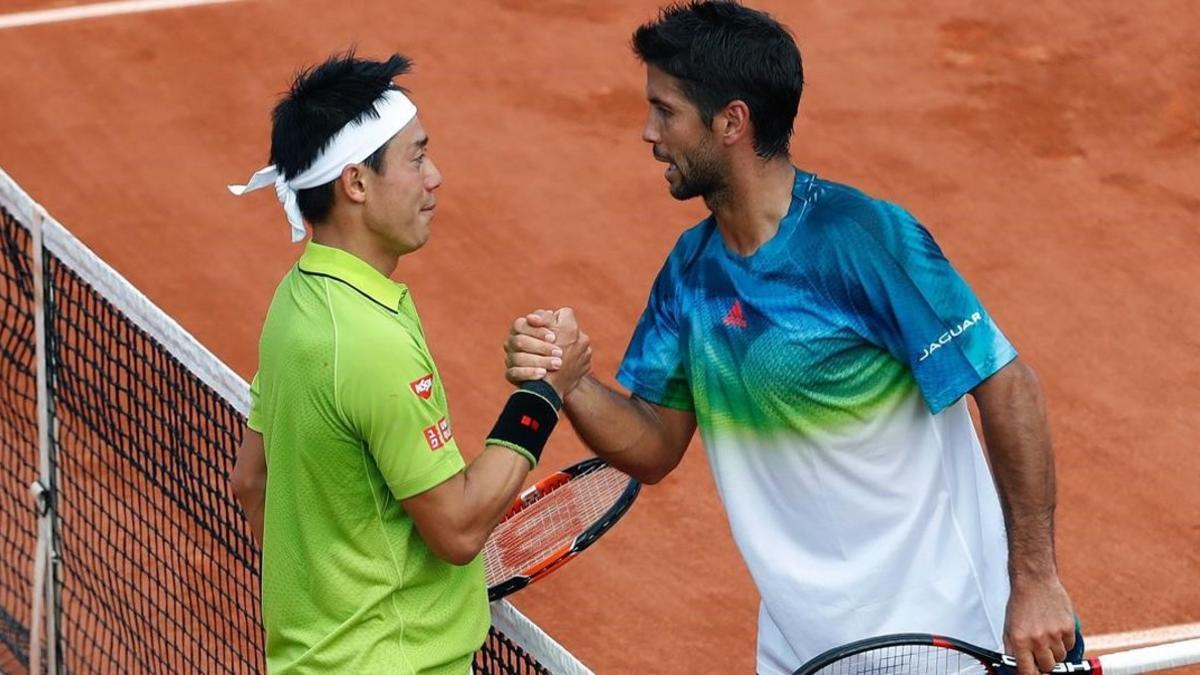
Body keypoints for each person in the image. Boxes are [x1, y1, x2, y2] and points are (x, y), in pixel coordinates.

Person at [504, 2, 1080, 673]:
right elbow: (655, 445)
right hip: (803, 648)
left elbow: (1007, 385)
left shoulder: (863, 240)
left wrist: (1036, 580)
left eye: (665, 111)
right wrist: (570, 380)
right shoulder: (690, 275)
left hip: (943, 634)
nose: (647, 132)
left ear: (731, 121)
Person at [227, 52, 590, 674]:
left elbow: (250, 482)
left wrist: (338, 601)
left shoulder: (299, 299)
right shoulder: (370, 341)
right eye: (417, 157)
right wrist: (542, 395)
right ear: (356, 183)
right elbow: (456, 530)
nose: (435, 176)